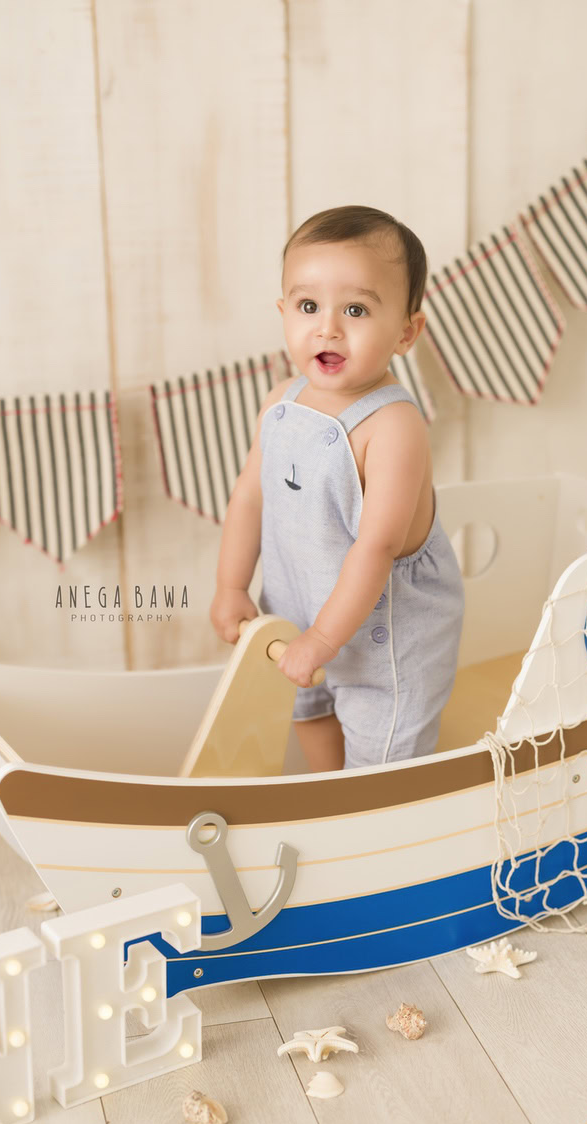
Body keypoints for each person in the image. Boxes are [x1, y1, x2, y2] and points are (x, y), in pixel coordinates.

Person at [210, 204, 464, 771]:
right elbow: (250, 496)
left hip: (385, 640)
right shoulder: (280, 402)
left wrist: (325, 640)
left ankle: (373, 814)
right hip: (299, 611)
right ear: (283, 312)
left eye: (355, 309)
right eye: (308, 306)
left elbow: (376, 546)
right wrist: (231, 586)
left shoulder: (394, 427)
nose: (327, 327)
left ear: (406, 331)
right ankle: (328, 797)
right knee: (310, 712)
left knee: (382, 759)